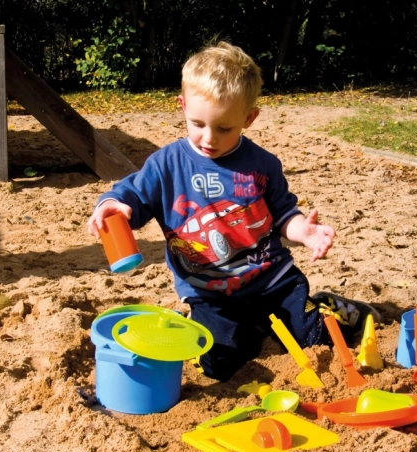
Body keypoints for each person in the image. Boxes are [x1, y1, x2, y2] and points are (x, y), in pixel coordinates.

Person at [88, 41, 379, 381]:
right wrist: (113, 206)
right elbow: (130, 194)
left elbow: (284, 213)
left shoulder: (261, 165)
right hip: (209, 293)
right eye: (197, 123)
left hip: (272, 281)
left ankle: (331, 307)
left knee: (315, 339)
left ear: (249, 117)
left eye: (224, 128)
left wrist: (304, 231)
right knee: (220, 363)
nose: (208, 138)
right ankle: (243, 330)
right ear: (182, 106)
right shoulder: (166, 165)